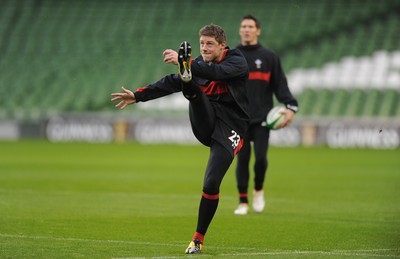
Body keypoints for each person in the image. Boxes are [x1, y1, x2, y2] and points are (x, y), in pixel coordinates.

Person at [111, 24, 249, 254]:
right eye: (202, 43)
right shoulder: (200, 65)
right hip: (205, 120)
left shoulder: (237, 61)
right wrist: (137, 95)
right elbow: (168, 83)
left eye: (210, 44)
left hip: (231, 127)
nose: (204, 48)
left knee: (211, 183)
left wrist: (187, 62)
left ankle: (197, 239)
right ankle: (188, 81)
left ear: (222, 45)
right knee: (188, 86)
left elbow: (217, 73)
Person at [233, 15, 299, 215]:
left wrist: (290, 106)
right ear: (240, 30)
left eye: (250, 26)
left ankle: (258, 189)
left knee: (261, 158)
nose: (246, 29)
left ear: (258, 31)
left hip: (262, 118)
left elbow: (280, 85)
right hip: (239, 118)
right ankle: (243, 202)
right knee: (242, 159)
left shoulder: (269, 57)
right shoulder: (232, 55)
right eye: (243, 26)